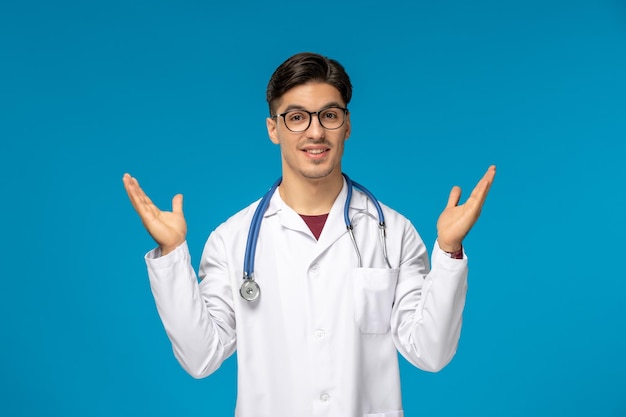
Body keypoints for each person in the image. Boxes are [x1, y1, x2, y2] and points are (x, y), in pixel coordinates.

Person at [123, 52, 496, 417]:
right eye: (297, 117)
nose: (315, 132)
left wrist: (448, 251)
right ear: (274, 129)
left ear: (347, 125)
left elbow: (430, 353)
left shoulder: (392, 233)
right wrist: (172, 252)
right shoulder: (233, 240)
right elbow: (201, 357)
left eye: (329, 116)